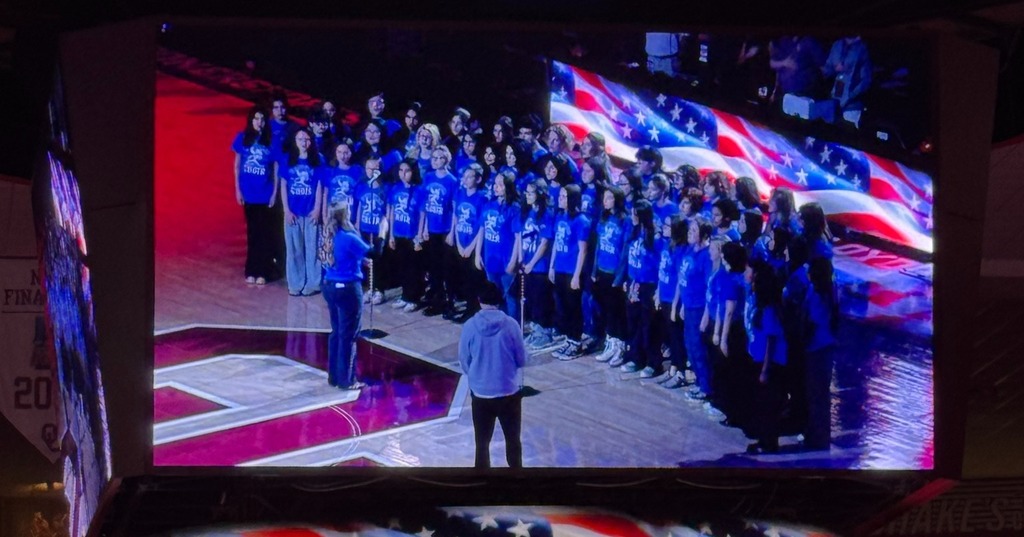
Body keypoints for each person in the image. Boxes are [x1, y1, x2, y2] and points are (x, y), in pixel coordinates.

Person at [458, 282, 527, 469]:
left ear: (479, 300)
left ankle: (482, 484)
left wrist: (476, 376)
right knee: (513, 441)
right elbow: (522, 359)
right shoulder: (512, 325)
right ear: (500, 300)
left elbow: (464, 360)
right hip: (508, 392)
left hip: (481, 393)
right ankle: (517, 482)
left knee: (481, 445)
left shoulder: (470, 326)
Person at [321, 202, 383, 390]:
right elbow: (375, 253)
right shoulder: (349, 237)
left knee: (336, 331)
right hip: (347, 289)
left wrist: (359, 260)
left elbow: (342, 256)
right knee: (349, 334)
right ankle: (347, 380)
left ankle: (334, 376)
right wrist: (382, 232)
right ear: (345, 215)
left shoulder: (329, 235)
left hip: (330, 285)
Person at [232, 106, 277, 285]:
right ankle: (251, 269)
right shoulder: (242, 139)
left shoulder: (272, 141)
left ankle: (263, 271)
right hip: (248, 194)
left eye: (262, 119)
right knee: (252, 233)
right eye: (256, 119)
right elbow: (236, 166)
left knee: (264, 234)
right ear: (251, 121)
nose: (259, 122)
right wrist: (238, 189)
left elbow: (275, 170)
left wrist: (274, 194)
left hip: (265, 195)